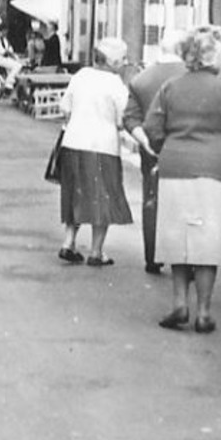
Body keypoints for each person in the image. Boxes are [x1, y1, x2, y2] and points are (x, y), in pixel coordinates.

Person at [144, 24, 221, 335]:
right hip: (215, 171)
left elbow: (153, 127)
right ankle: (204, 311)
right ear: (213, 56)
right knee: (207, 242)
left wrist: (165, 147)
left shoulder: (170, 87)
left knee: (179, 238)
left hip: (176, 165)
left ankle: (180, 302)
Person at [56, 37, 134, 267]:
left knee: (74, 193)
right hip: (103, 146)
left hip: (73, 141)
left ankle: (68, 242)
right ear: (114, 61)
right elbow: (123, 119)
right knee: (103, 196)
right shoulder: (116, 84)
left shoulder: (80, 76)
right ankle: (96, 251)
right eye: (123, 59)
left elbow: (65, 108)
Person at [123, 29, 187, 276]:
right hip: (184, 149)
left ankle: (153, 256)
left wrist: (145, 141)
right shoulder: (189, 77)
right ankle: (182, 258)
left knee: (152, 201)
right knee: (183, 203)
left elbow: (130, 118)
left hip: (152, 150)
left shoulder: (141, 79)